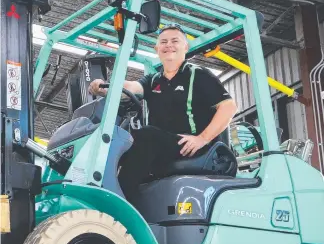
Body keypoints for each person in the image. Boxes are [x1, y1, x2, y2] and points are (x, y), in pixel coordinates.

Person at [89, 24, 237, 201]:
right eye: (164, 42)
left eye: (175, 41)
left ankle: (121, 204)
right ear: (157, 48)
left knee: (146, 135)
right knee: (122, 142)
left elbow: (228, 107)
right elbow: (131, 87)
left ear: (185, 47)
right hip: (162, 145)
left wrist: (202, 138)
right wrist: (106, 88)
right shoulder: (153, 79)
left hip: (190, 144)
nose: (169, 45)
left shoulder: (198, 74)